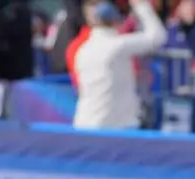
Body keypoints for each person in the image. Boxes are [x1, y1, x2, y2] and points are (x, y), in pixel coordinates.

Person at [70, 0, 166, 129]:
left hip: (84, 124)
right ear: (116, 22)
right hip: (115, 128)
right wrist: (141, 5)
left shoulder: (83, 50)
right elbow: (157, 37)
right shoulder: (117, 46)